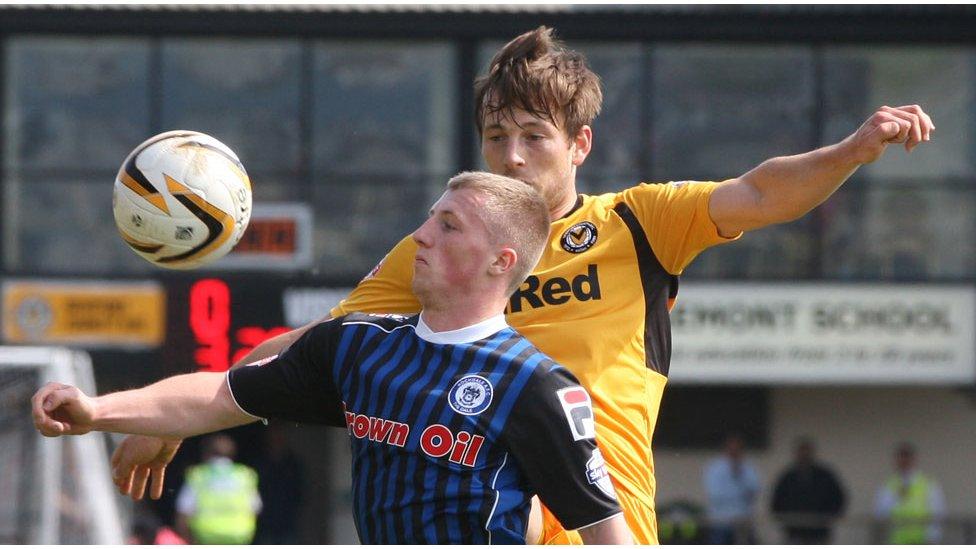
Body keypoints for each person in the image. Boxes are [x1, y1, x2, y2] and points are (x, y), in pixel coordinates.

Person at [109, 27, 935, 545]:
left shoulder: (637, 223)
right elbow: (322, 345)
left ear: (579, 143)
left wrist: (850, 151)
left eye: (532, 135)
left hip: (603, 530)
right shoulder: (444, 243)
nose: (509, 154)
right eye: (495, 134)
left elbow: (757, 193)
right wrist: (181, 406)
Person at [33, 172, 633, 545]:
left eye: (448, 226)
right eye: (429, 218)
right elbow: (220, 394)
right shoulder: (359, 345)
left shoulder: (535, 384)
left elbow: (606, 533)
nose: (422, 235)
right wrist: (95, 409)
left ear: (501, 261)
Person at [172, 434, 261, 544]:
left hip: (205, 537)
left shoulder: (198, 475)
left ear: (206, 454)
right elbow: (255, 508)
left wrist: (186, 540)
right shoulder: (245, 475)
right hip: (239, 537)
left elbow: (183, 512)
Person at [770, 437, 847, 544]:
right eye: (801, 452)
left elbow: (839, 498)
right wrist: (786, 522)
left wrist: (828, 518)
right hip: (794, 533)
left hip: (819, 533)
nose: (804, 455)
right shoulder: (787, 477)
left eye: (807, 451)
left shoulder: (825, 476)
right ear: (796, 454)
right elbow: (776, 502)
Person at [874, 442, 946, 544]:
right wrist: (896, 498)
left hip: (922, 540)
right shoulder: (888, 486)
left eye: (907, 458)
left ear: (914, 460)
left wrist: (933, 537)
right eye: (901, 458)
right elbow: (879, 512)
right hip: (897, 540)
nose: (904, 461)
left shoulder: (928, 484)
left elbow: (938, 511)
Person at [252, 424, 305, 544]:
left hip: (287, 523)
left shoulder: (292, 464)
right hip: (264, 525)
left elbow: (300, 491)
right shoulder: (260, 463)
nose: (276, 438)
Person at [702, 434, 760, 544]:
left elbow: (754, 491)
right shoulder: (715, 468)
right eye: (732, 449)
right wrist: (739, 493)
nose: (735, 452)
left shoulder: (748, 468)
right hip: (721, 520)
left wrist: (739, 475)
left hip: (742, 520)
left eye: (737, 449)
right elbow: (715, 494)